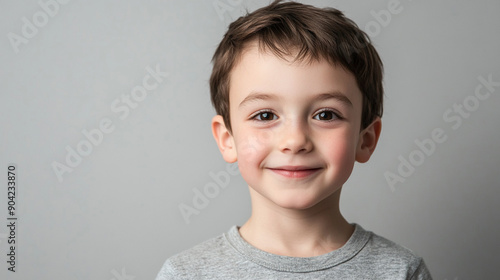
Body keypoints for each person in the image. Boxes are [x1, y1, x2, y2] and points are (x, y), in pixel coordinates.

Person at [156, 1, 433, 279]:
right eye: (265, 115)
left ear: (366, 139)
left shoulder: (401, 271)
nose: (295, 140)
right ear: (227, 139)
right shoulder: (186, 274)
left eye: (325, 115)